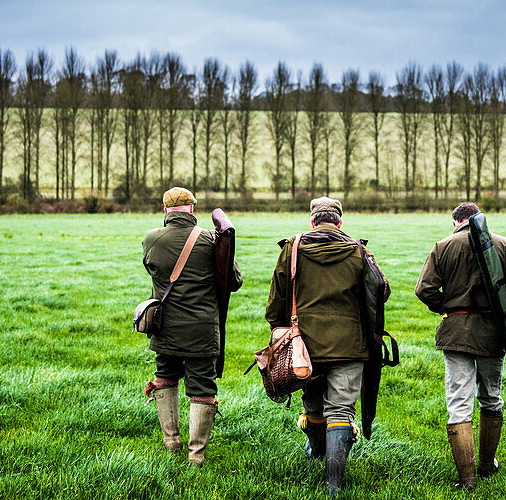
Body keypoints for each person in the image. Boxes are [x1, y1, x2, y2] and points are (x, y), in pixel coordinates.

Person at [265, 197, 384, 495]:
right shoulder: (359, 251)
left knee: (314, 404)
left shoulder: (292, 249)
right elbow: (381, 291)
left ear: (312, 221)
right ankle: (334, 486)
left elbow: (276, 299)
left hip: (305, 345)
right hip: (350, 345)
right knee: (341, 410)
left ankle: (316, 452)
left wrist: (279, 331)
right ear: (340, 222)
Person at [414, 202, 506, 490]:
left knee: (458, 405)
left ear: (456, 221)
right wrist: (503, 306)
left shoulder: (443, 246)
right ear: (478, 218)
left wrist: (448, 308)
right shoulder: (501, 244)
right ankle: (486, 466)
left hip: (455, 334)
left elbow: (424, 289)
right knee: (491, 398)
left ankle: (467, 480)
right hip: (494, 333)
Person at [142, 186, 241, 466]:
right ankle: (196, 457)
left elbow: (151, 269)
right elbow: (235, 281)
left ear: (165, 211)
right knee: (202, 388)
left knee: (165, 376)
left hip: (165, 327)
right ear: (192, 210)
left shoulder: (151, 239)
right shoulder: (211, 240)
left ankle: (171, 442)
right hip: (202, 331)